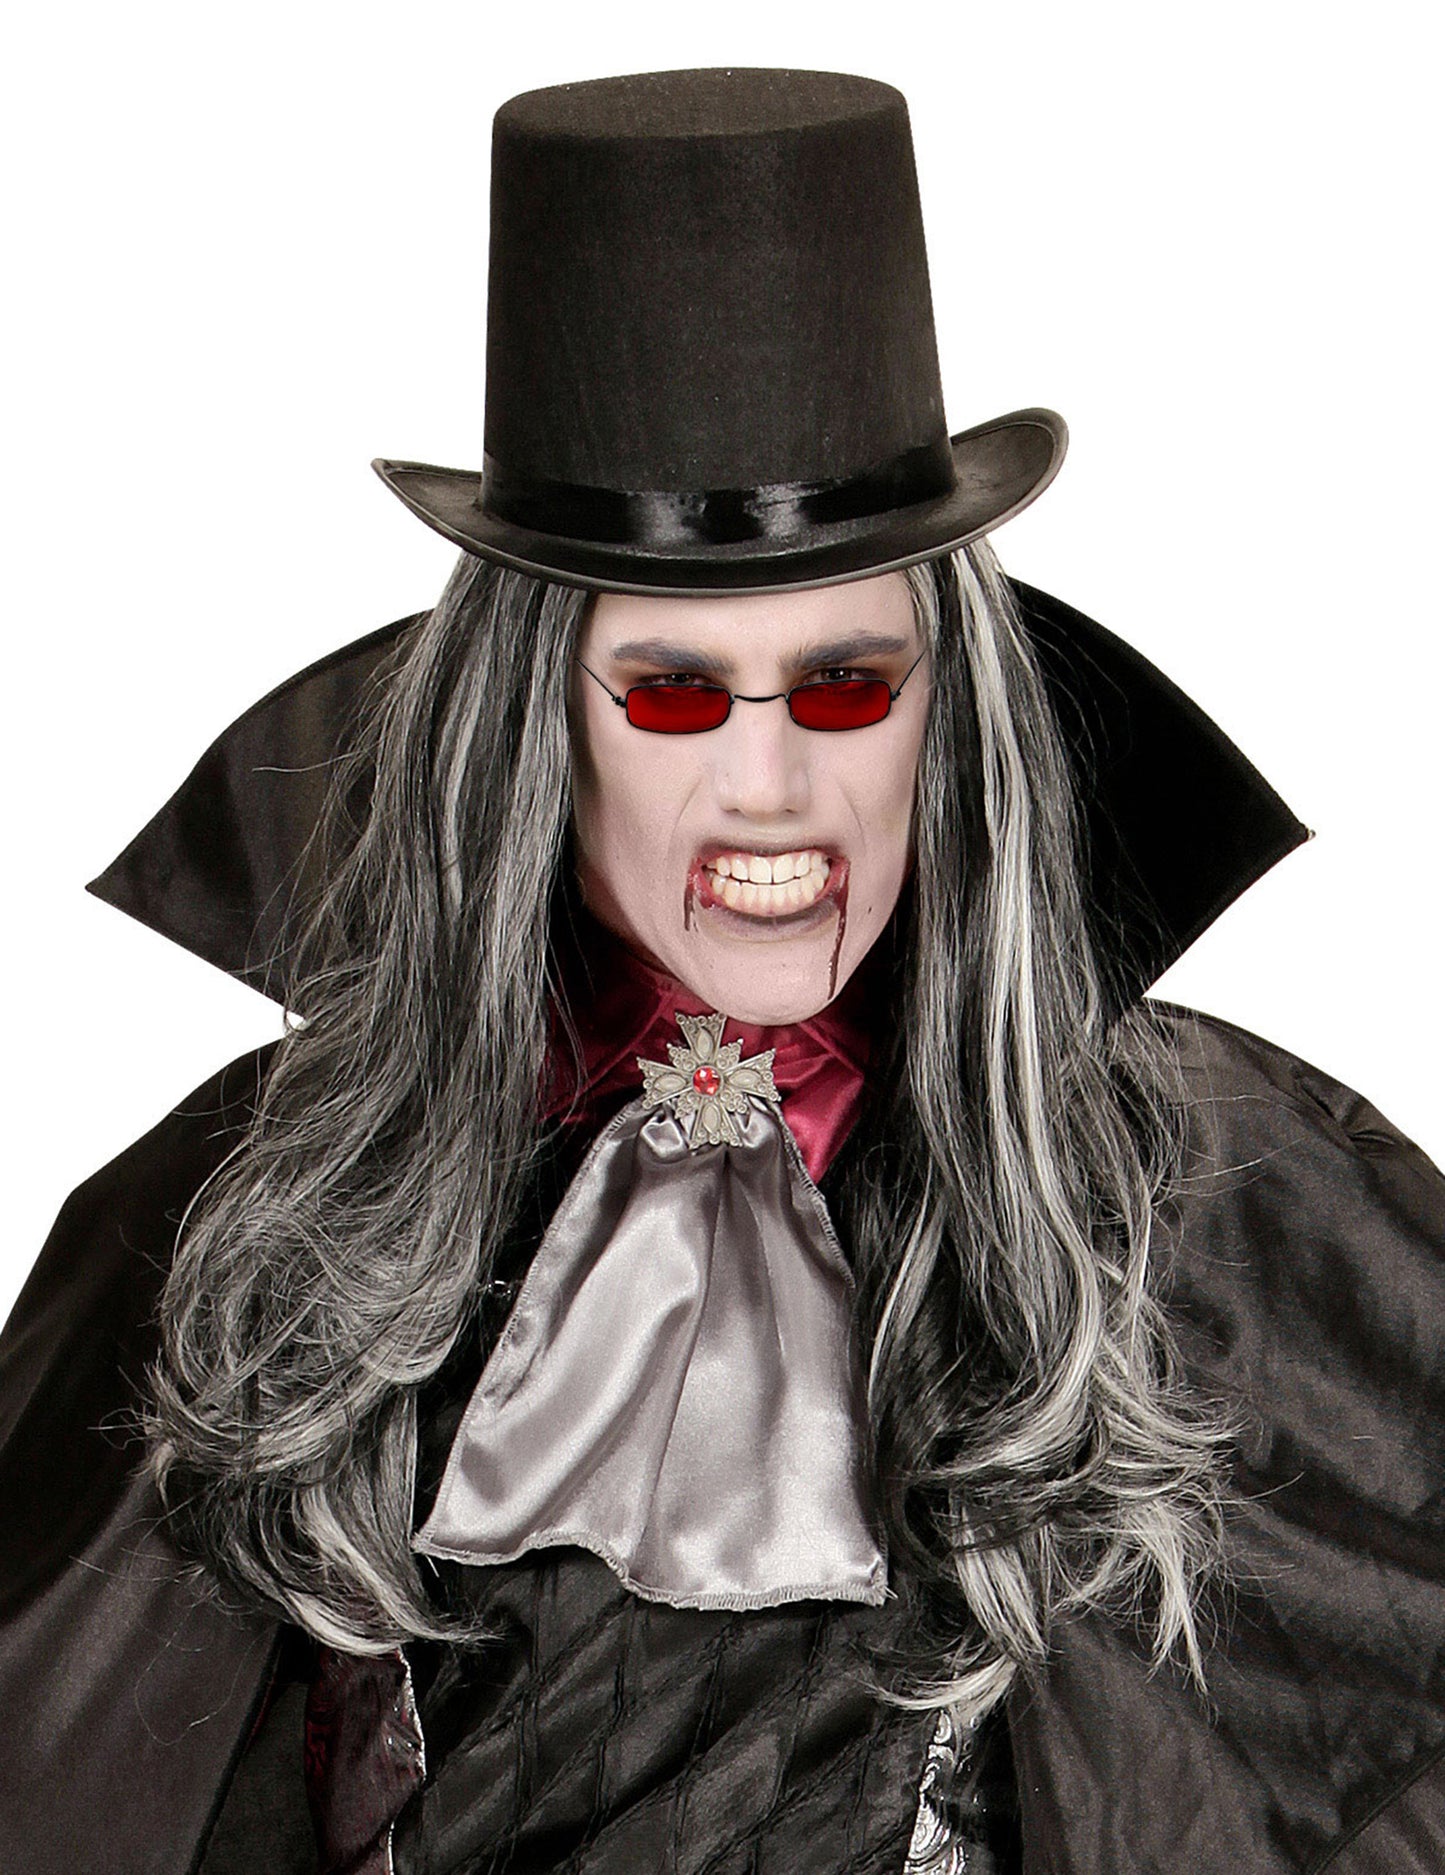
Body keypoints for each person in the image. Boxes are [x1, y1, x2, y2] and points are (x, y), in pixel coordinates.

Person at [2, 67, 1441, 1875]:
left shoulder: (1240, 1193)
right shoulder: (252, 1214)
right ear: (535, 731)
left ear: (947, 716)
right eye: (675, 693)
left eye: (844, 685)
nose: (771, 787)